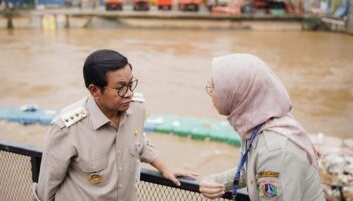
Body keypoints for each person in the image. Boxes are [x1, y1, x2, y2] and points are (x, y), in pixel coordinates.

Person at [34, 49, 197, 201]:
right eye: (120, 88)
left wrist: (164, 168)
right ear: (94, 91)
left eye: (131, 84)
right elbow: (46, 187)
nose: (129, 93)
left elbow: (139, 142)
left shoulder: (136, 108)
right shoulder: (67, 128)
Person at [199, 53, 325, 201]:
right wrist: (213, 181)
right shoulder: (259, 125)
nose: (211, 92)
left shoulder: (275, 152)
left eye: (215, 86)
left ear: (236, 92)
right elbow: (252, 170)